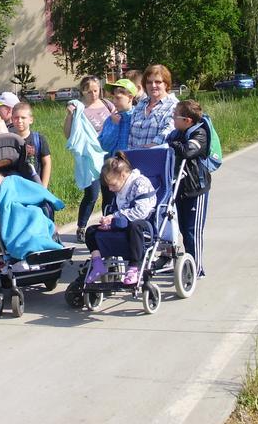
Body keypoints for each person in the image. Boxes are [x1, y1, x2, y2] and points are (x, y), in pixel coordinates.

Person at [84, 152, 156, 286]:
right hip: (122, 222)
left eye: (112, 185)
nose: (110, 189)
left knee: (134, 226)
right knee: (91, 231)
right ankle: (98, 264)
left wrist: (115, 217)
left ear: (123, 175)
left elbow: (141, 211)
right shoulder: (120, 186)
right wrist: (108, 220)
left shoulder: (140, 183)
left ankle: (134, 267)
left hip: (143, 223)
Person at [64, 75, 114, 241]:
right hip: (90, 156)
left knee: (110, 192)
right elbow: (68, 134)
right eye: (89, 91)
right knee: (92, 193)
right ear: (82, 92)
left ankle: (107, 225)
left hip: (108, 153)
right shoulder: (78, 108)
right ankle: (81, 227)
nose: (93, 94)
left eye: (96, 90)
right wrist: (70, 116)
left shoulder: (108, 105)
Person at [166, 99, 211, 278]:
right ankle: (188, 262)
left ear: (187, 120)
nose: (173, 118)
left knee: (193, 230)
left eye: (175, 116)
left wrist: (173, 145)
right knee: (184, 230)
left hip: (195, 189)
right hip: (179, 188)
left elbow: (188, 151)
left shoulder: (199, 133)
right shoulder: (177, 133)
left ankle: (197, 268)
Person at [98, 78, 138, 209]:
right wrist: (114, 125)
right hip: (112, 169)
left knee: (131, 203)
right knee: (109, 203)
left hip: (130, 169)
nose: (114, 102)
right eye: (113, 98)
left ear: (130, 97)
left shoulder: (137, 117)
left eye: (118, 98)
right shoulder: (111, 119)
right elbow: (104, 145)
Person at [128, 64, 178, 149]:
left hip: (157, 154)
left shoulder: (174, 105)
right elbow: (131, 134)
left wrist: (153, 146)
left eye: (158, 82)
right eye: (149, 82)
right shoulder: (141, 104)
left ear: (166, 84)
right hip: (134, 154)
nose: (153, 85)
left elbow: (170, 130)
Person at [11, 102, 52, 188]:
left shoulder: (39, 139)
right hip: (17, 187)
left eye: (23, 118)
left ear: (31, 120)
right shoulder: (9, 140)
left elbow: (47, 163)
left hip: (36, 186)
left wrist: (44, 187)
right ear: (12, 119)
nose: (19, 121)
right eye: (16, 118)